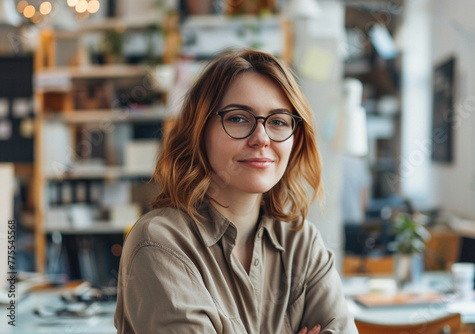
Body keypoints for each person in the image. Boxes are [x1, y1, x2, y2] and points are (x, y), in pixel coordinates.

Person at [114, 49, 358, 334]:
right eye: (239, 118)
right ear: (200, 131)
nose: (261, 139)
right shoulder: (160, 243)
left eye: (278, 121)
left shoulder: (302, 244)